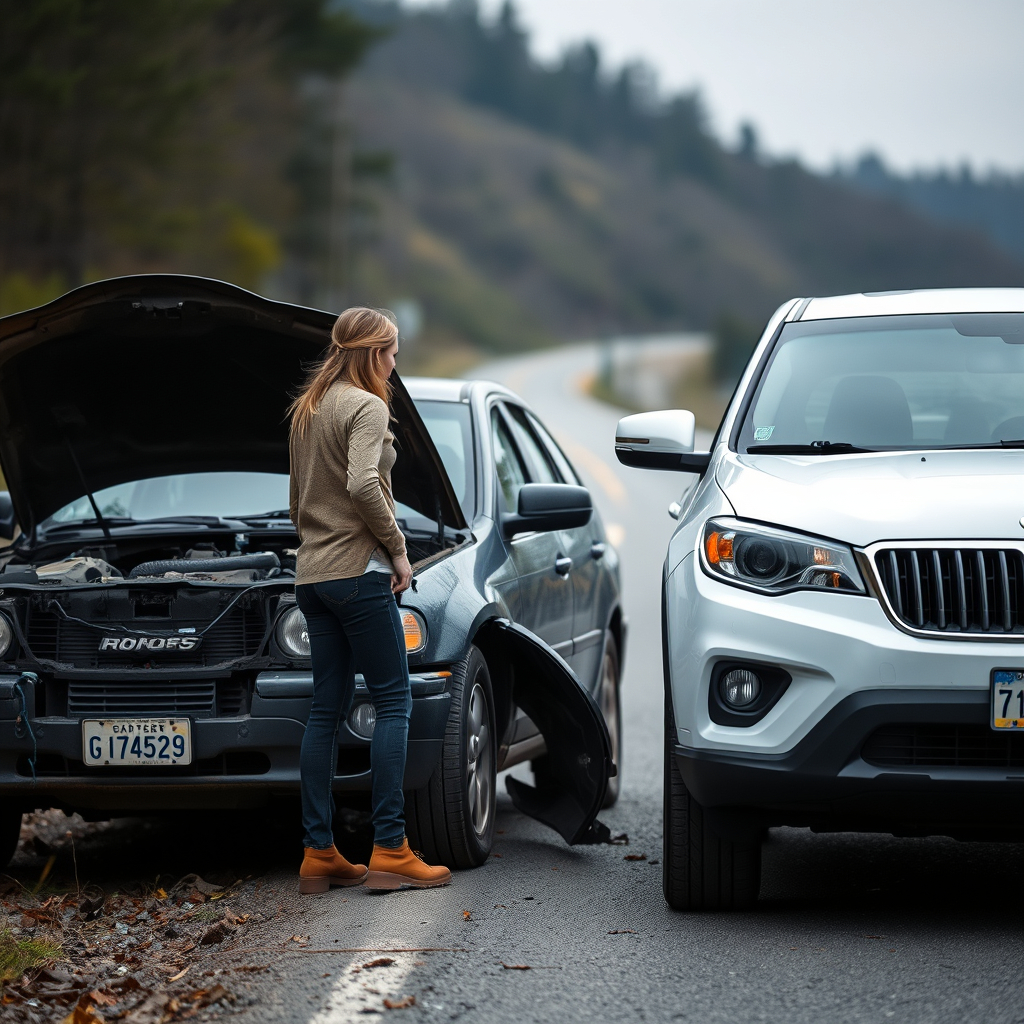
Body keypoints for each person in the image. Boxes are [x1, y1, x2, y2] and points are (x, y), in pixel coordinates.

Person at [288, 306, 452, 894]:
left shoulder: (308, 409)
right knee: (393, 703)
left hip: (312, 576)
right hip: (357, 572)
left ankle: (319, 853)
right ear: (373, 353)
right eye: (392, 352)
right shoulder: (366, 405)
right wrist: (398, 548)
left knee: (325, 711)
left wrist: (317, 542)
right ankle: (390, 849)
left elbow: (297, 498)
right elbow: (362, 483)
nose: (395, 362)